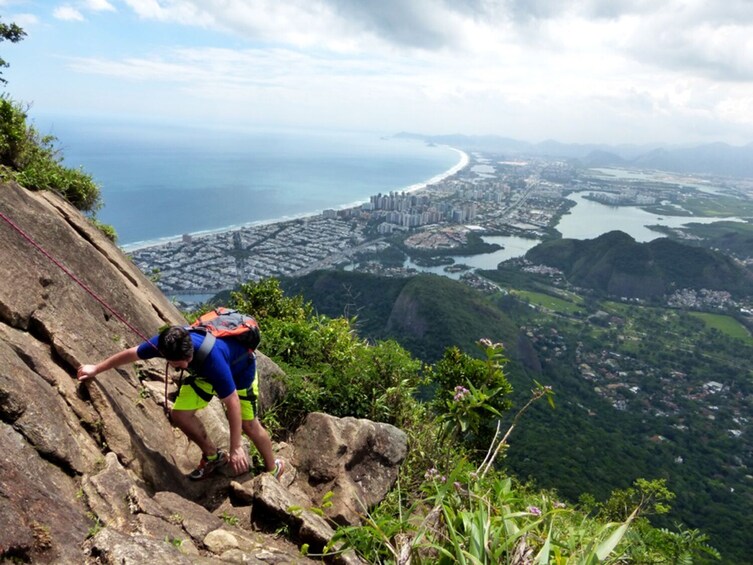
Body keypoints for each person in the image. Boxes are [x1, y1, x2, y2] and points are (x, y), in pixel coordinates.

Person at [77, 325, 284, 481]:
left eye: (185, 360)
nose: (182, 365)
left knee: (249, 425)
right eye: (177, 363)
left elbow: (233, 403)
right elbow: (131, 354)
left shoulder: (213, 359)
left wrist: (236, 447)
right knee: (180, 415)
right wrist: (96, 369)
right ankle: (212, 456)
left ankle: (272, 467)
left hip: (240, 372)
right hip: (203, 376)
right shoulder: (165, 344)